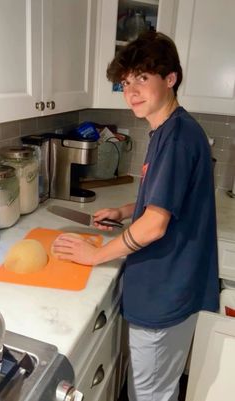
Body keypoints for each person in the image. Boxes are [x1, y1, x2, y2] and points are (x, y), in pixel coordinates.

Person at [52, 31, 219, 401]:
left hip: (166, 290)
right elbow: (166, 203)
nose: (131, 92)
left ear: (170, 77)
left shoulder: (176, 138)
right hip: (166, 283)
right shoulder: (166, 129)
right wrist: (127, 210)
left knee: (153, 394)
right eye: (126, 83)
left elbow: (156, 226)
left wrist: (93, 255)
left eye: (142, 78)